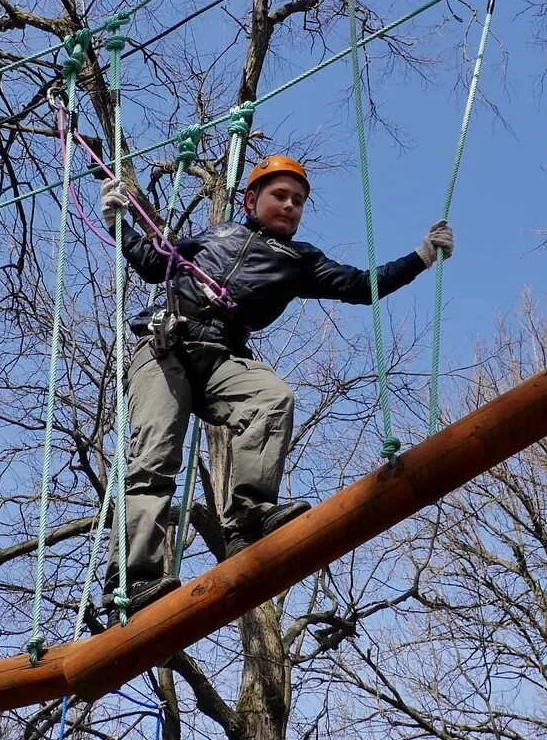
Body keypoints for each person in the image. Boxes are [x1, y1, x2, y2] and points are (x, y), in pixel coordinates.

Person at [99, 155, 454, 625]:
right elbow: (150, 263)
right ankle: (135, 576)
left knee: (271, 397)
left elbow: (362, 286)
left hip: (220, 354)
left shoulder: (299, 259)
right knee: (156, 453)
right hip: (166, 345)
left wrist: (422, 257)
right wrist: (119, 222)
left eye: (299, 201)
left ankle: (246, 518)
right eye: (280, 196)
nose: (290, 206)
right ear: (251, 199)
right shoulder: (213, 236)